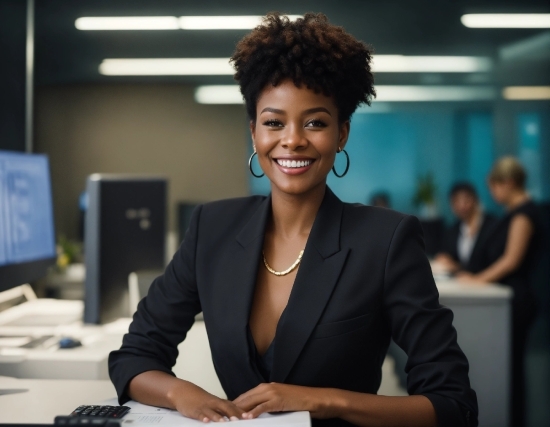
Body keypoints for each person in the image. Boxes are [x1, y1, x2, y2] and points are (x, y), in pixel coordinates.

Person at [109, 14, 478, 427]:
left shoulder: (386, 240)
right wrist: (183, 394)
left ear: (341, 134)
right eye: (274, 122)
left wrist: (323, 402)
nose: (293, 139)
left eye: (315, 123)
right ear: (254, 133)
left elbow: (453, 403)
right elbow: (134, 356)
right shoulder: (212, 227)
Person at [456, 157, 543, 427]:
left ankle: (514, 417)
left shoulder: (523, 214)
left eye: (494, 187)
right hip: (517, 296)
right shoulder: (515, 213)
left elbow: (511, 260)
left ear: (508, 183)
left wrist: (477, 280)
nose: (492, 194)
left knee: (512, 366)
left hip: (519, 298)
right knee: (510, 365)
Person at [434, 182, 496, 274]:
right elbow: (447, 252)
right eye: (456, 201)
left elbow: (491, 261)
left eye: (466, 200)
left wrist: (458, 267)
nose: (462, 206)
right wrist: (445, 258)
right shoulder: (453, 229)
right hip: (462, 282)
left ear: (476, 200)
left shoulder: (492, 225)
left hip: (487, 281)